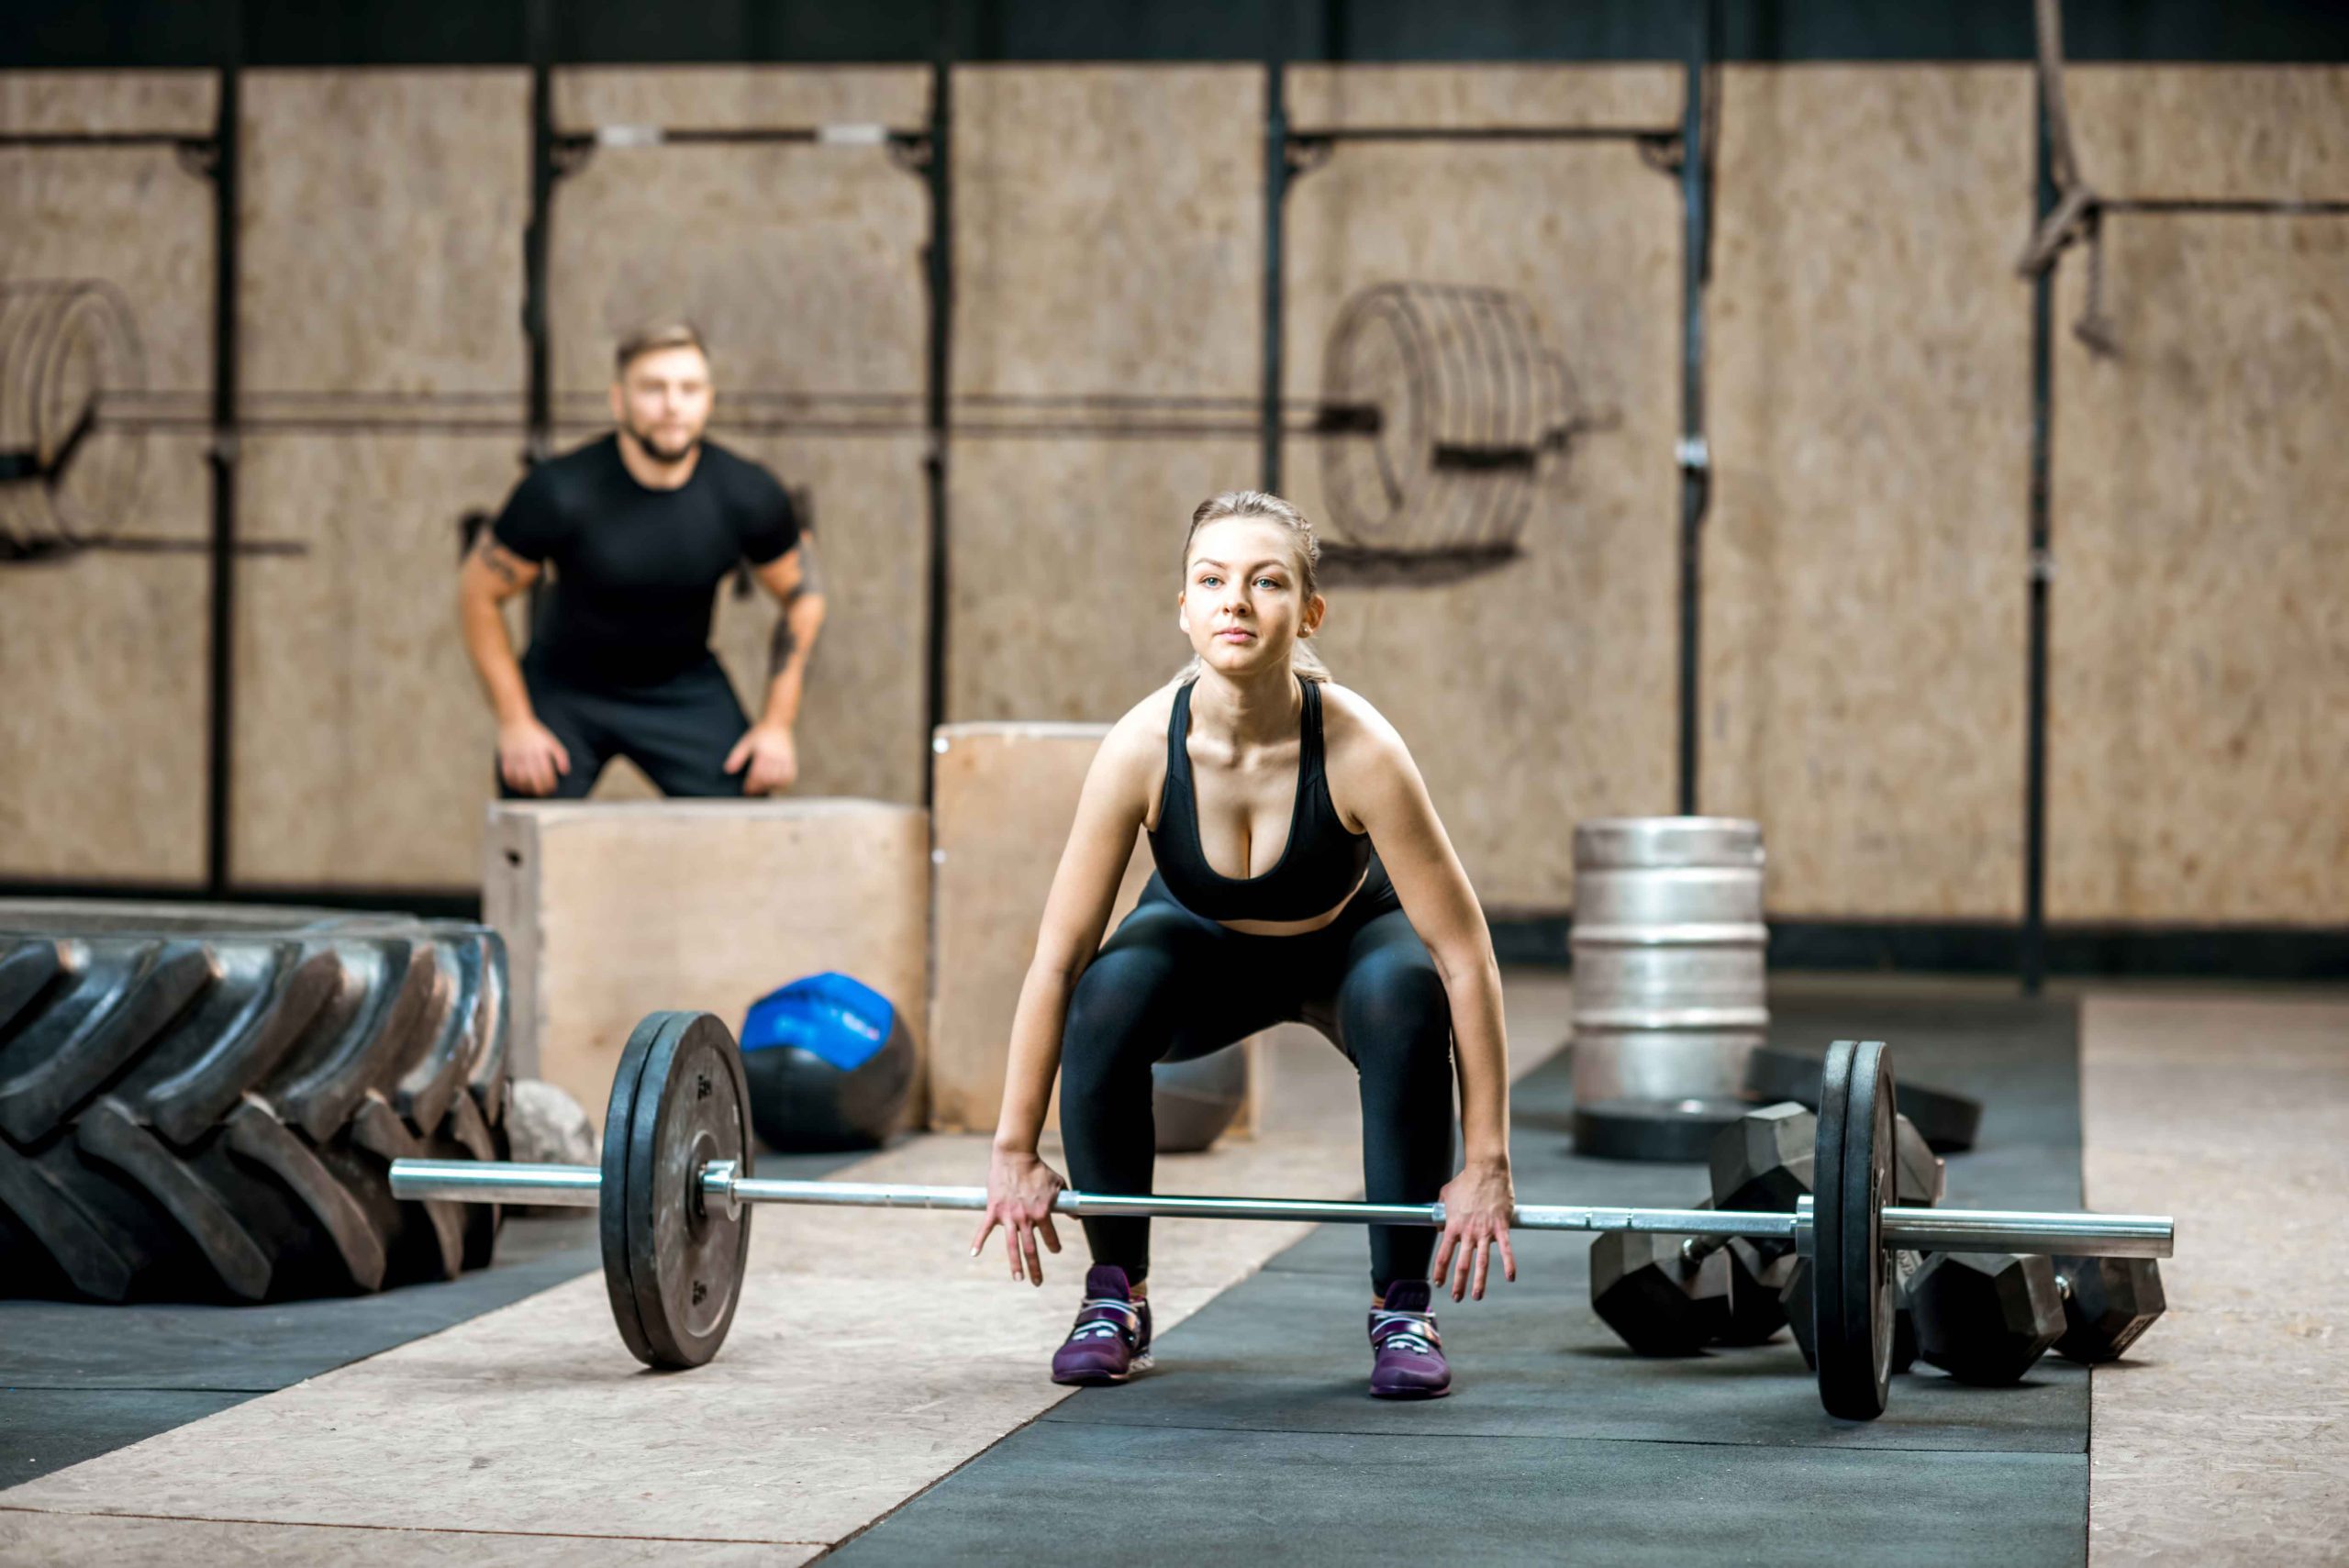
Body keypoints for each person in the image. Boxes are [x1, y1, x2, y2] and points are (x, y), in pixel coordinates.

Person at [970, 490, 1516, 1401]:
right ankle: (1115, 1295)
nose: (1234, 600)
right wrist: (1013, 1144)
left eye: (1266, 581)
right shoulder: (1141, 747)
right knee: (1103, 995)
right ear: (1181, 605)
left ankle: (1402, 1303)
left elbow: (1467, 954)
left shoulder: (1359, 747)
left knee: (1408, 993)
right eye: (1210, 579)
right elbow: (1055, 958)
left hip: (1350, 945)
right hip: (1199, 947)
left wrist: (1487, 1160)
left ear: (1307, 611)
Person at [457, 321, 826, 798]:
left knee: (744, 821)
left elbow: (805, 597)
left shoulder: (747, 494)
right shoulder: (559, 492)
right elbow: (478, 594)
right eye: (653, 389)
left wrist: (777, 725)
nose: (672, 405)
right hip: (566, 689)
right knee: (532, 826)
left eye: (688, 389)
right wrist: (515, 721)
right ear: (618, 400)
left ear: (708, 400)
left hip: (684, 690)